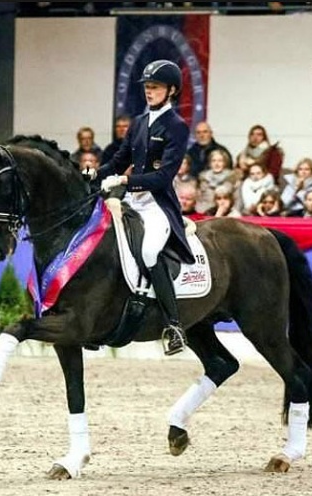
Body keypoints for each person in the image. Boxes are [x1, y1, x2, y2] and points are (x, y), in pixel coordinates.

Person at [96, 59, 194, 356]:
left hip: (157, 206)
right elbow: (117, 161)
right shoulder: (138, 123)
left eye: (155, 87)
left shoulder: (176, 127)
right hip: (130, 202)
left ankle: (174, 324)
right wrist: (90, 174)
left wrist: (126, 182)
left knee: (150, 251)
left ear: (172, 90)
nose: (149, 92)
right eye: (147, 88)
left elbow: (164, 176)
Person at [197, 148, 237, 213]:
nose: (217, 163)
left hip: (227, 213)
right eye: (213, 161)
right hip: (205, 213)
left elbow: (237, 200)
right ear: (210, 163)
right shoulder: (203, 178)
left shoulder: (232, 178)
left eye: (220, 161)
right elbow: (199, 198)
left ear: (225, 162)